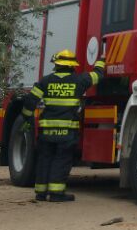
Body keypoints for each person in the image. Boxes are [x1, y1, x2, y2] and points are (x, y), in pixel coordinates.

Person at [23, 49, 105, 202]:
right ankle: (56, 193)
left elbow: (30, 101)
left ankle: (41, 193)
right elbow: (98, 75)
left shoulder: (45, 81)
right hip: (67, 132)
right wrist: (102, 59)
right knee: (62, 160)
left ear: (57, 65)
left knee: (44, 159)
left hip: (46, 130)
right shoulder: (80, 80)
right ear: (72, 66)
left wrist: (26, 118)